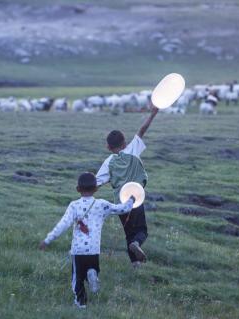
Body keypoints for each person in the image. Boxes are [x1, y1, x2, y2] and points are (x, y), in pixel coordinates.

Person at [39, 172, 135, 309]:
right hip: (93, 249)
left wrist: (48, 240)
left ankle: (81, 303)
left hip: (78, 251)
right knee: (92, 268)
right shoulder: (102, 204)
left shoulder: (74, 206)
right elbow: (122, 209)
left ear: (78, 189)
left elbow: (63, 224)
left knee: (77, 279)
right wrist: (131, 200)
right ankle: (93, 274)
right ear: (96, 189)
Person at [96, 103, 159, 267]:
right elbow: (142, 130)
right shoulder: (132, 150)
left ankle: (135, 264)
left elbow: (96, 183)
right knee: (141, 231)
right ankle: (137, 244)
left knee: (128, 233)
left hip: (120, 204)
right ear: (124, 143)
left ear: (108, 147)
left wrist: (84, 189)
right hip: (135, 200)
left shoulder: (108, 162)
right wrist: (153, 114)